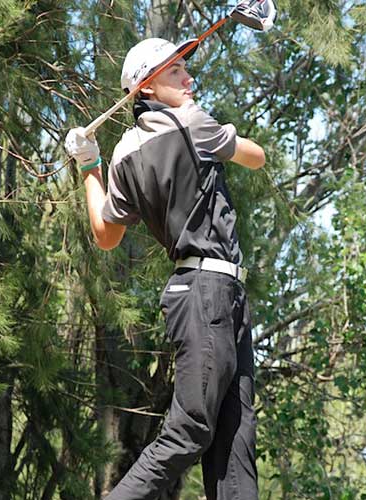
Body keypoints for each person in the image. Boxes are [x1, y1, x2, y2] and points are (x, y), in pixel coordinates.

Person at [65, 37, 265, 500]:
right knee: (192, 429)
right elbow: (256, 157)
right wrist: (228, 135)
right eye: (177, 71)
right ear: (148, 88)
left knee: (235, 439)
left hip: (209, 293)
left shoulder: (123, 155)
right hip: (207, 291)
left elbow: (105, 234)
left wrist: (88, 165)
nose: (189, 78)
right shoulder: (192, 123)